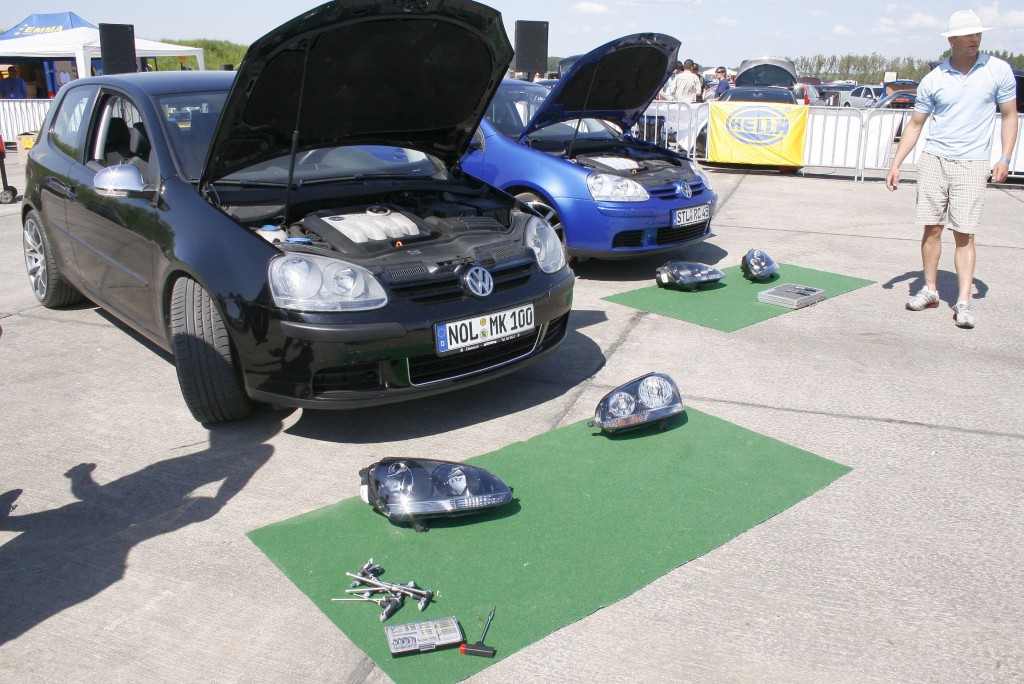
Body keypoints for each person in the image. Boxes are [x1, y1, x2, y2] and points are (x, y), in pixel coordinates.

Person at [885, 9, 1017, 329]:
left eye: (978, 33)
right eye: (968, 34)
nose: (975, 39)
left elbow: (1010, 115)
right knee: (931, 228)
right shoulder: (935, 78)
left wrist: (1004, 158)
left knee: (964, 233)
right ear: (951, 40)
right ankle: (930, 290)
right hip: (934, 159)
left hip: (972, 162)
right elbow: (916, 124)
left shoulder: (998, 70)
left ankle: (964, 301)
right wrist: (896, 163)